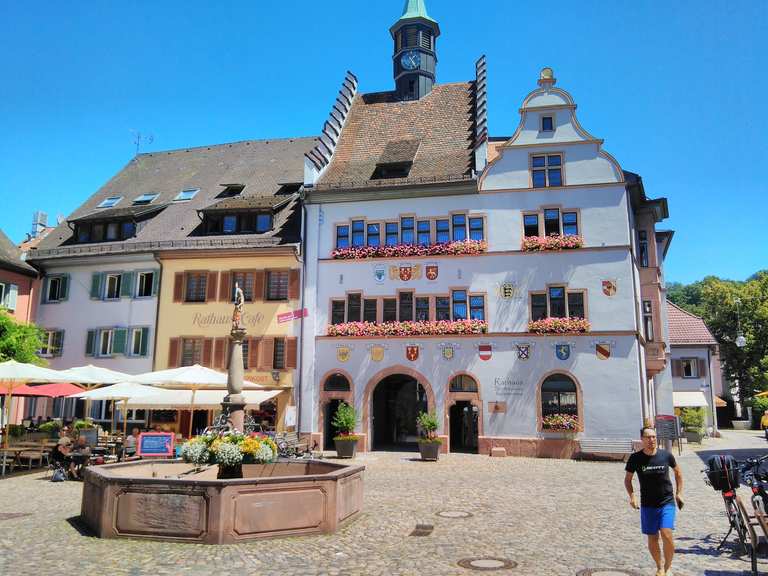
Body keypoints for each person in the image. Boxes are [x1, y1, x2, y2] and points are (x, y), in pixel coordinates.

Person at [624, 426, 684, 576]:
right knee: (652, 537)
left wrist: (679, 493)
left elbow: (678, 473)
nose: (652, 440)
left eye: (654, 437)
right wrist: (632, 496)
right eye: (648, 437)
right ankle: (659, 566)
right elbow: (628, 480)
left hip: (666, 501)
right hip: (648, 504)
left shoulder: (666, 455)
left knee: (666, 533)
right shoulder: (636, 458)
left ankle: (668, 567)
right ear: (642, 440)